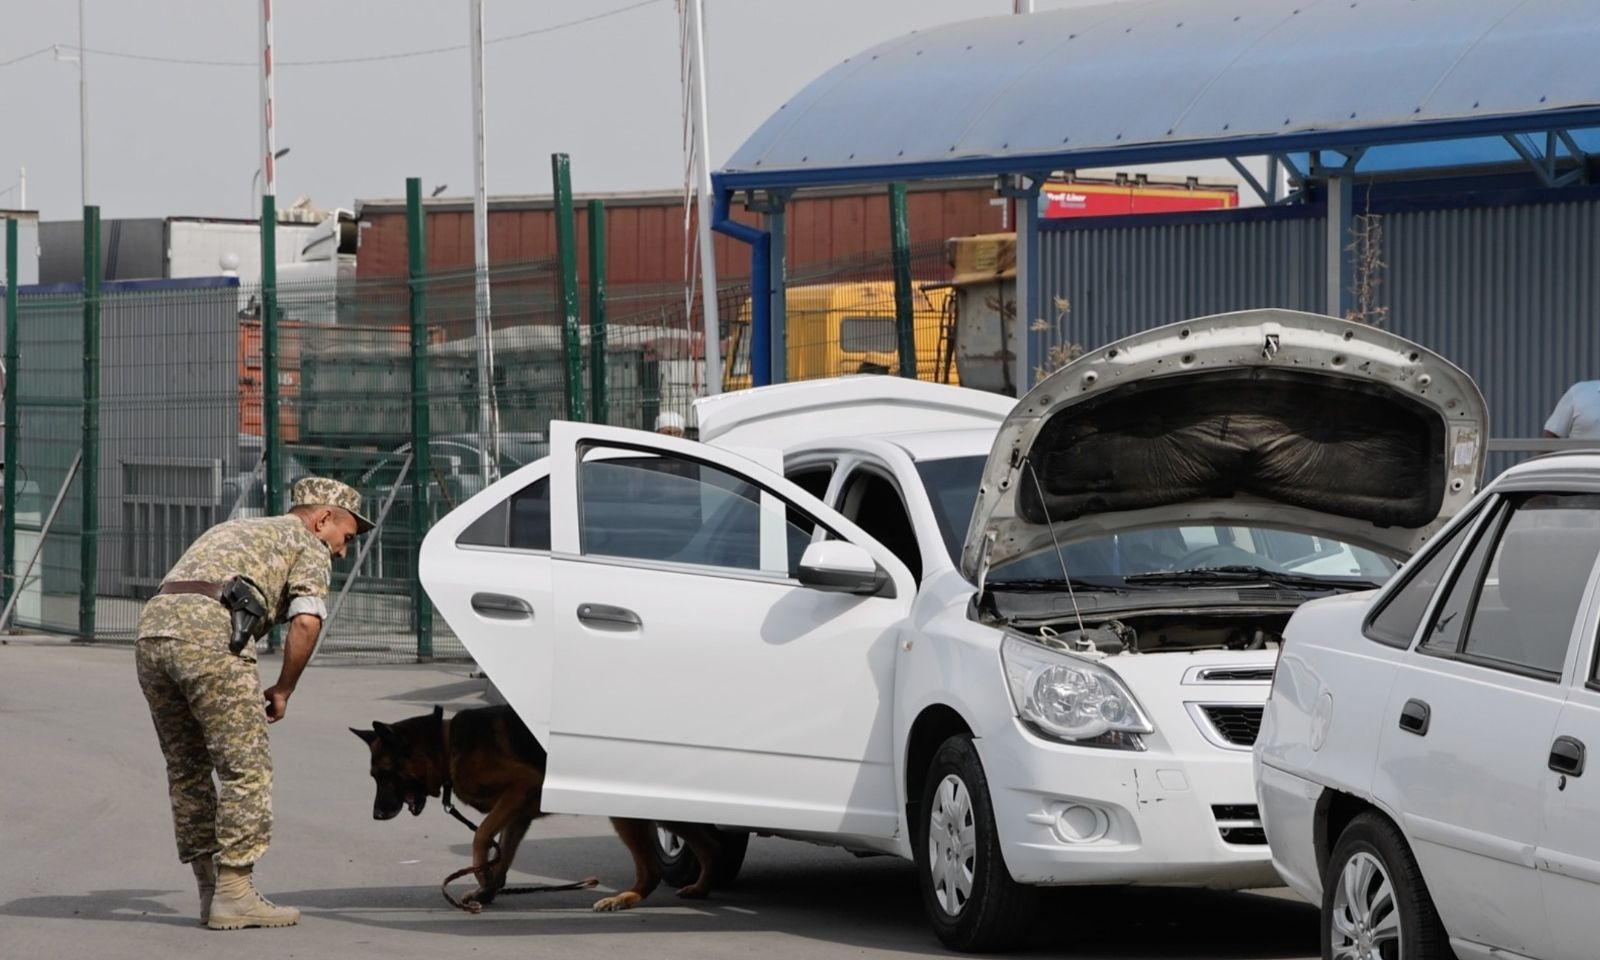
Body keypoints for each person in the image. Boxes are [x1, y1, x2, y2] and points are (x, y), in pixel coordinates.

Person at [134, 477, 371, 930]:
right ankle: (236, 893)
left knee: (187, 769)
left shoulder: (235, 527)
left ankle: (211, 891)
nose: (343, 551)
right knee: (247, 769)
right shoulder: (308, 544)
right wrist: (284, 688)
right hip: (208, 640)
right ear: (322, 519)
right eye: (347, 536)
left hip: (152, 634)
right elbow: (305, 622)